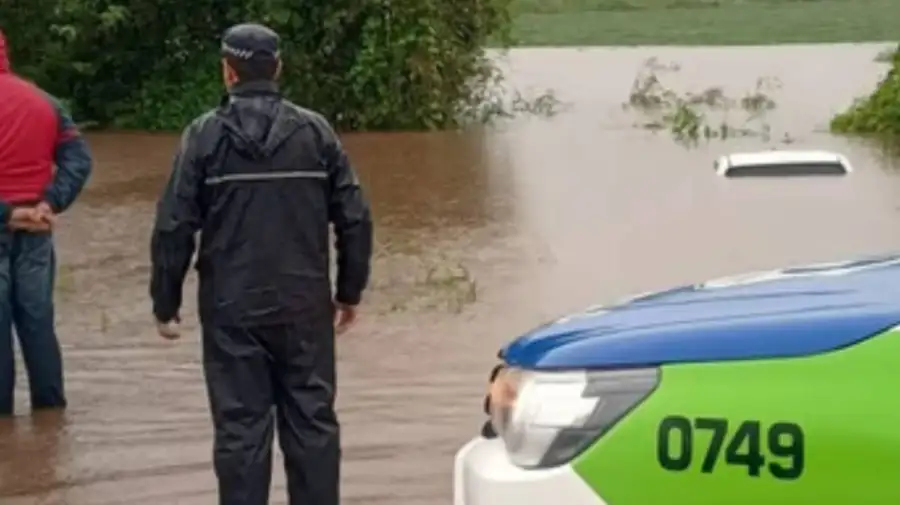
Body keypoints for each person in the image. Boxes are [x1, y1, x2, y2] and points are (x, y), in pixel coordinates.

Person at [149, 23, 373, 505]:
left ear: (228, 72)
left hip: (232, 311)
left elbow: (173, 225)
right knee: (312, 422)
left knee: (240, 430)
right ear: (278, 69)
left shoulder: (203, 136)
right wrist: (350, 292)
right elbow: (354, 216)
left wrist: (165, 304)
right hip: (304, 307)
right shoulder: (316, 133)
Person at [0, 29, 93, 417]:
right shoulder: (46, 102)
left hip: (5, 219)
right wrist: (50, 203)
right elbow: (79, 160)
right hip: (38, 227)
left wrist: (7, 215)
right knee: (38, 322)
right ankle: (51, 421)